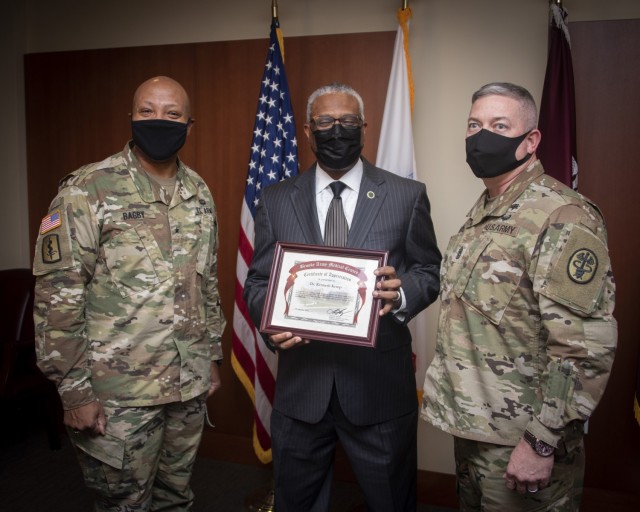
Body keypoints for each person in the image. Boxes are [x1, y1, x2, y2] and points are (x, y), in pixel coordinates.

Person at [243, 83, 441, 511]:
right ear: (308, 131)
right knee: (297, 502)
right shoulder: (276, 199)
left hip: (379, 388)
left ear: (364, 128)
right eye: (326, 122)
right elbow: (258, 281)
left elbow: (428, 270)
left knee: (392, 502)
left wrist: (403, 292)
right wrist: (271, 322)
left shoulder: (406, 195)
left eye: (348, 121)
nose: (337, 130)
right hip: (302, 388)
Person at [421, 82, 617, 511]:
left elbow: (583, 348)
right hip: (476, 433)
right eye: (474, 124)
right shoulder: (485, 213)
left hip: (522, 442)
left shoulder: (560, 214)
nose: (480, 135)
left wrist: (541, 441)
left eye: (498, 125)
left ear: (530, 141)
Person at [33, 76, 225, 511]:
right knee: (124, 504)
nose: (159, 121)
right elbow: (56, 297)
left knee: (176, 498)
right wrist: (75, 391)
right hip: (118, 393)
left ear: (189, 126)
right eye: (147, 111)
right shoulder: (86, 189)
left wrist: (211, 355)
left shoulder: (198, 192)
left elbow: (206, 281)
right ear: (131, 118)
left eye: (172, 114)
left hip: (187, 383)